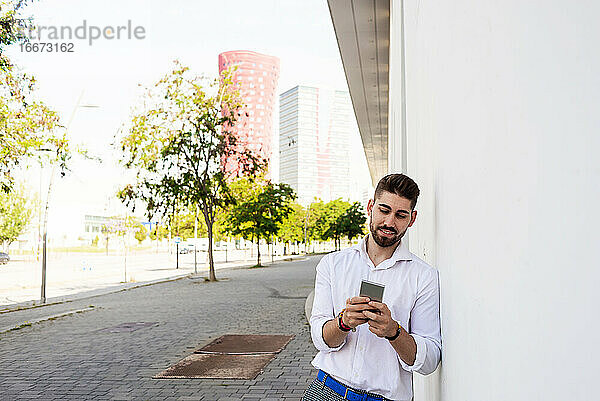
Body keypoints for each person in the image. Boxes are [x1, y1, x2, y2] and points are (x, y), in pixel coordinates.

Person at [303, 173, 441, 401]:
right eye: (384, 210)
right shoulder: (333, 264)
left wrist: (394, 332)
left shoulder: (424, 276)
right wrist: (343, 323)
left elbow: (429, 361)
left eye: (400, 215)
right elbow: (320, 339)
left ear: (412, 218)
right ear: (370, 206)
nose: (389, 222)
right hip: (326, 390)